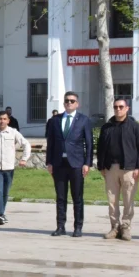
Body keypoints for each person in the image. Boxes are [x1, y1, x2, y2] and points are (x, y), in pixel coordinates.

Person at [45, 90, 93, 237]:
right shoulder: (55, 120)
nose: (69, 103)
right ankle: (60, 226)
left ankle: (78, 227)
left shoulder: (83, 120)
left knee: (77, 197)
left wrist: (87, 163)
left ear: (77, 104)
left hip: (77, 163)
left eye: (72, 101)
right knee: (61, 197)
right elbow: (51, 143)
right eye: (67, 101)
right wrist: (49, 162)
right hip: (59, 163)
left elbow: (89, 144)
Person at [100, 98, 139, 240]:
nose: (118, 109)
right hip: (111, 168)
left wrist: (138, 167)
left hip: (129, 168)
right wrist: (101, 166)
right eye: (115, 107)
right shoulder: (107, 127)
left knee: (128, 199)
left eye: (121, 107)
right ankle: (114, 227)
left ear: (127, 108)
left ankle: (125, 227)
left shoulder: (134, 127)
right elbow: (101, 148)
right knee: (112, 200)